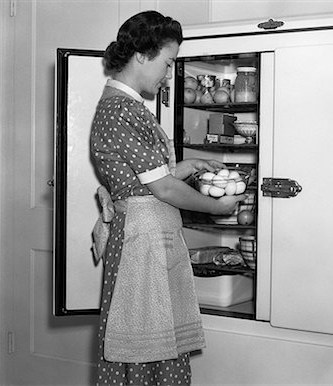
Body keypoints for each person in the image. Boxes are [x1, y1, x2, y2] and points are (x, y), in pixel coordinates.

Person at [90, 10, 246, 386]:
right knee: (142, 349)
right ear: (142, 55)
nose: (169, 73)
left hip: (150, 240)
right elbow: (161, 190)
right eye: (168, 62)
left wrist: (188, 164)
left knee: (159, 345)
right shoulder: (120, 109)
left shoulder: (128, 107)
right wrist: (217, 207)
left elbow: (142, 183)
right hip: (140, 245)